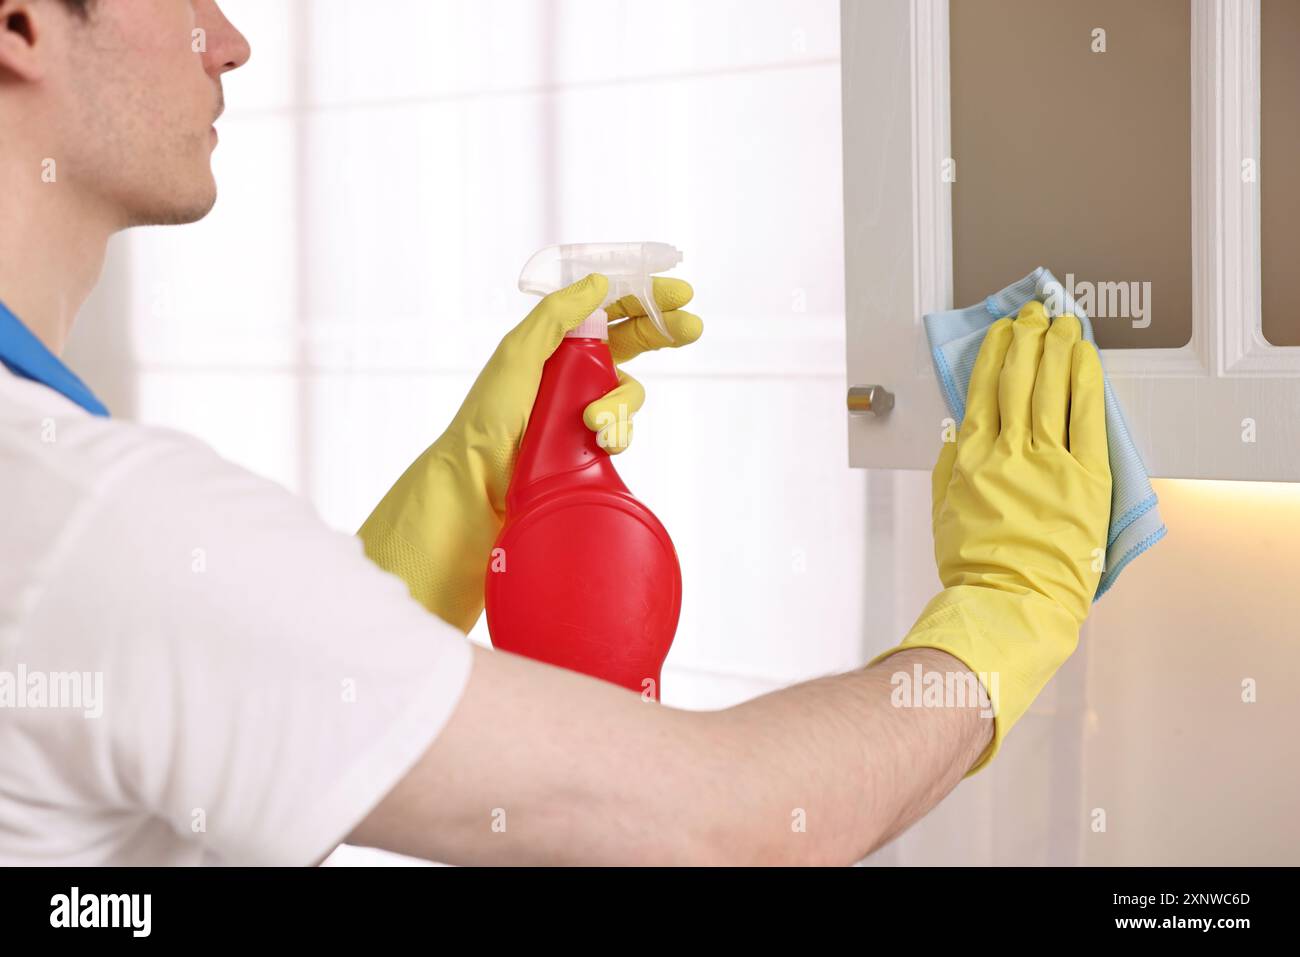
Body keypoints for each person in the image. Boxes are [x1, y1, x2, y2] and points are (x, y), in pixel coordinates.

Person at [0, 0, 1111, 866]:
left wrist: (437, 526)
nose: (229, 41)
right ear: (23, 24)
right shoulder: (101, 524)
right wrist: (1002, 613)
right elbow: (736, 824)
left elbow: (169, 799)